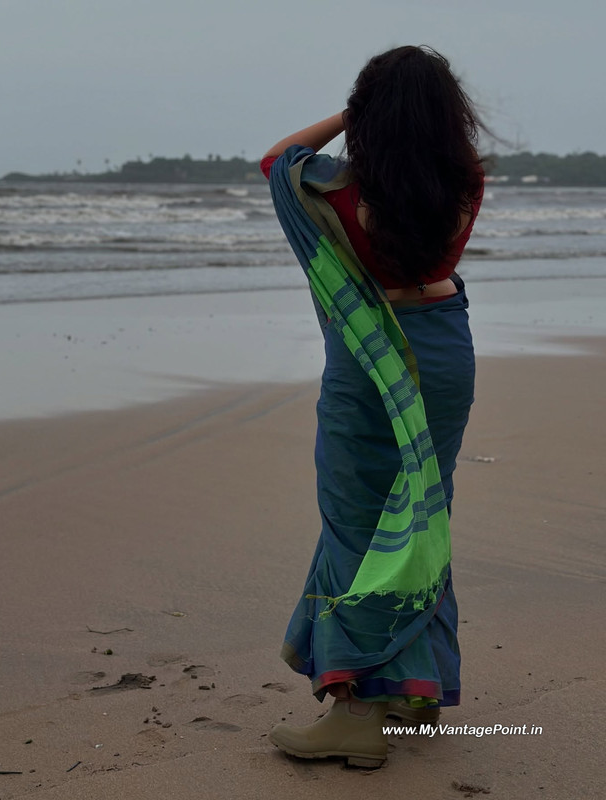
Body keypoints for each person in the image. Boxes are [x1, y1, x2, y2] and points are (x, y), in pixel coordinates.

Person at [261, 45, 485, 768]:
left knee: (357, 527)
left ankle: (358, 712)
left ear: (370, 115)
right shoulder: (465, 184)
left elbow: (277, 161)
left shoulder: (334, 191)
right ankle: (415, 693)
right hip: (447, 352)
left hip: (368, 364)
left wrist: (354, 114)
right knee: (418, 512)